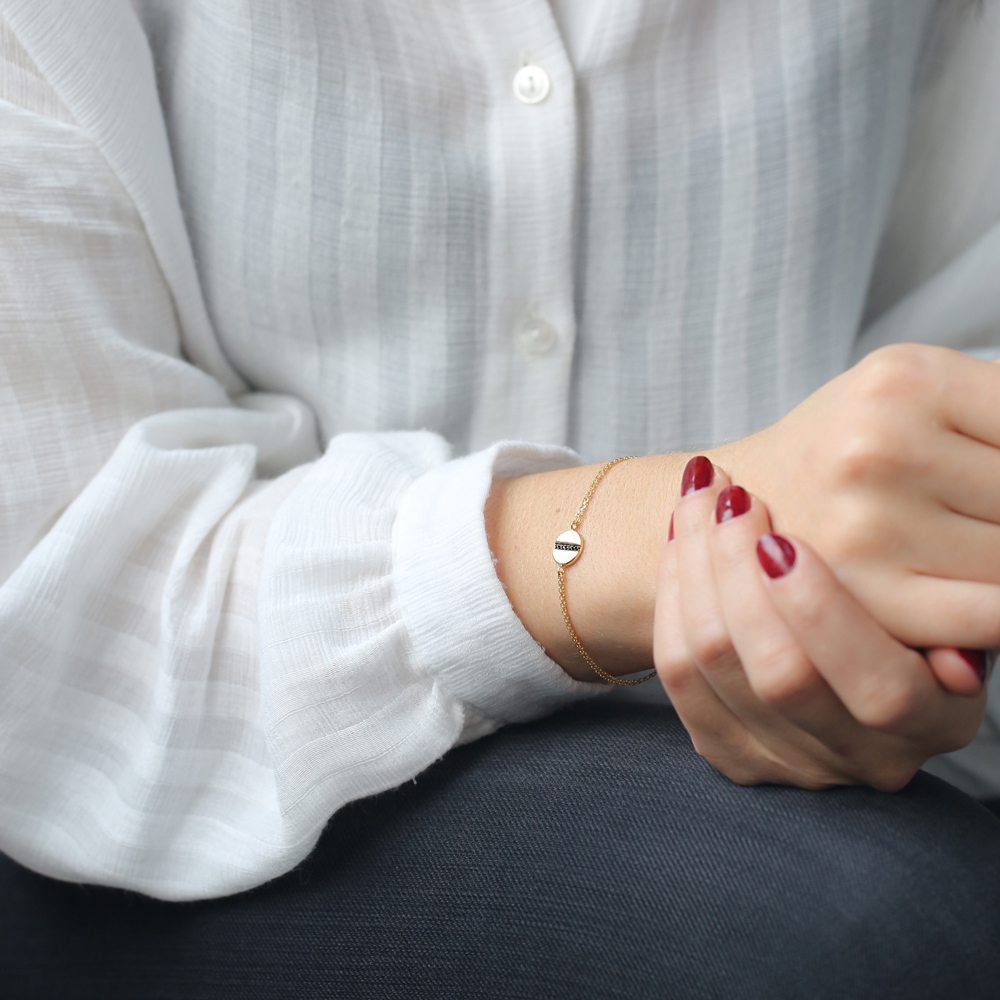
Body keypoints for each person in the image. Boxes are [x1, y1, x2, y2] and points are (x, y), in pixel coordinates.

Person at [3, 0, 1000, 995]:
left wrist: (913, 633)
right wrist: (640, 539)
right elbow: (58, 599)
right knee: (860, 933)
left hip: (822, 792)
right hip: (166, 799)